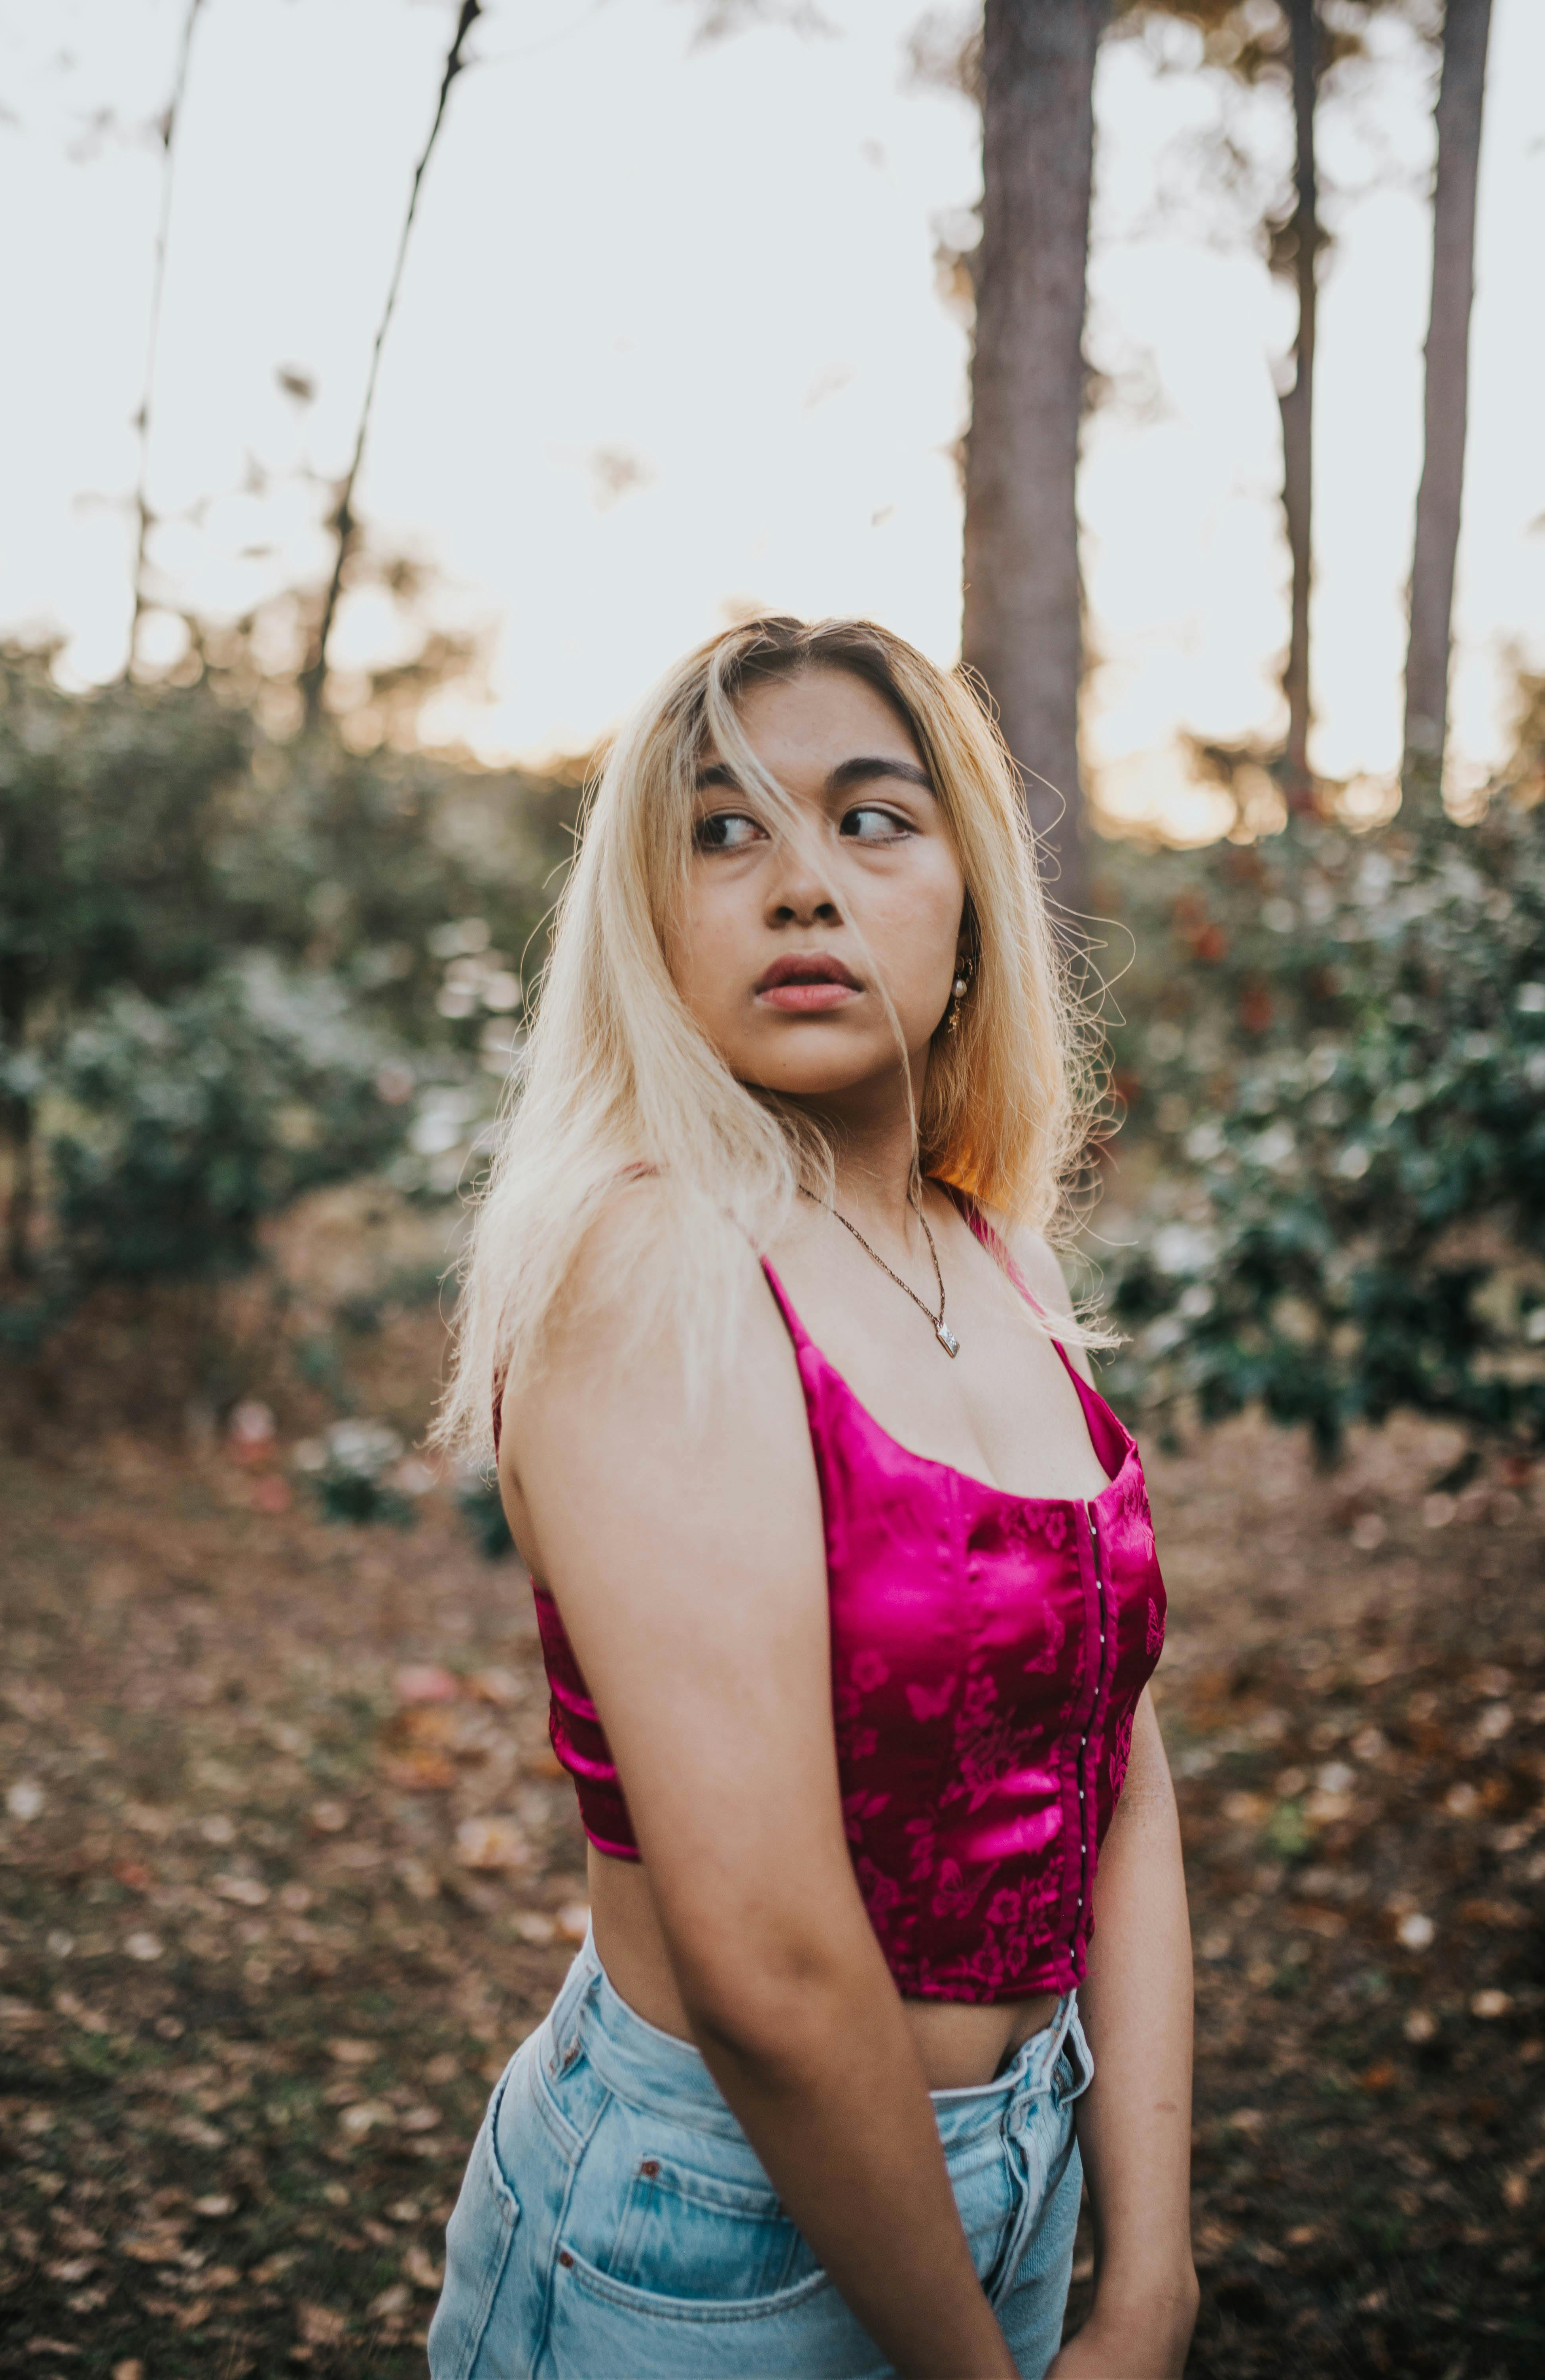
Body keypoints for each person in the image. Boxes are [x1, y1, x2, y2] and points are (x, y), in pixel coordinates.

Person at [429, 617, 1197, 2380]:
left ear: (968, 901)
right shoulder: (650, 1266)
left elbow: (1116, 1766)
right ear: (652, 924)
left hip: (1024, 2181)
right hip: (702, 2250)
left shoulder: (983, 1244)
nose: (796, 884)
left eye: (869, 819)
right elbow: (767, 1959)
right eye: (723, 830)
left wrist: (1147, 2277)